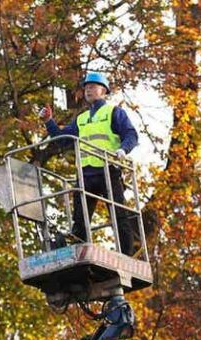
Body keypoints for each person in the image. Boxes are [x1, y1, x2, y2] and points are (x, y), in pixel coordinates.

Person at [40, 72, 138, 256]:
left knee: (118, 214)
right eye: (86, 87)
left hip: (108, 170)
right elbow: (63, 140)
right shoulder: (82, 118)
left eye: (92, 87)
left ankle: (127, 254)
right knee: (80, 219)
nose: (88, 90)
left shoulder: (114, 112)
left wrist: (123, 150)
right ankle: (79, 251)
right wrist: (49, 122)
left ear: (104, 91)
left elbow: (131, 134)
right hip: (86, 174)